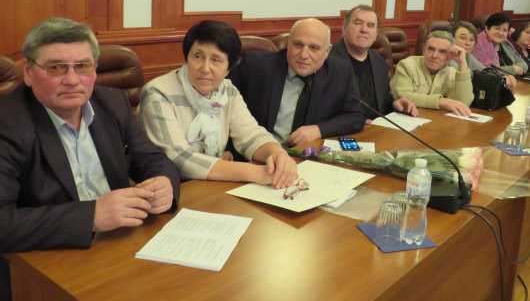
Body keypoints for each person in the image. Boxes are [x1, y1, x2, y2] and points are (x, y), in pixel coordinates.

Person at [0, 18, 180, 289]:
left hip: (122, 246)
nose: (72, 80)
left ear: (94, 69)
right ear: (28, 71)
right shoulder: (8, 124)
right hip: (48, 266)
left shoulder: (113, 103)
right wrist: (91, 216)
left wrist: (164, 183)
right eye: (56, 67)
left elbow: (151, 159)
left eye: (83, 66)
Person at [139, 20, 298, 188]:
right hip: (170, 190)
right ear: (187, 59)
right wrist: (254, 173)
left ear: (228, 69)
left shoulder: (227, 91)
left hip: (212, 184)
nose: (205, 68)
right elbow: (178, 158)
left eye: (216, 60)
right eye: (198, 57)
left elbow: (249, 134)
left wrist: (277, 153)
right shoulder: (158, 93)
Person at [228, 18, 365, 147]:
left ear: (327, 51)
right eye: (298, 44)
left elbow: (355, 116)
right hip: (256, 153)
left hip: (307, 155)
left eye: (314, 48)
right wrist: (227, 148)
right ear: (289, 44)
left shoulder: (340, 72)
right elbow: (222, 106)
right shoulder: (254, 65)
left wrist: (318, 130)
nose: (304, 55)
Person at [329, 5, 417, 120]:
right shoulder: (327, 58)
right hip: (345, 127)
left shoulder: (380, 62)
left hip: (377, 126)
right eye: (358, 23)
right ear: (344, 28)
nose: (364, 30)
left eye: (370, 26)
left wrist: (395, 105)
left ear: (375, 34)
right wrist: (353, 121)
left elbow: (383, 102)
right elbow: (320, 108)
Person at [390, 31, 474, 116]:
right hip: (406, 118)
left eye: (442, 52)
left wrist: (462, 65)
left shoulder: (452, 73)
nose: (434, 56)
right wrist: (439, 101)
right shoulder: (407, 65)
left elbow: (464, 103)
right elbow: (403, 96)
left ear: (450, 56)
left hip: (435, 119)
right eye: (431, 49)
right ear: (424, 50)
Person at [451, 21, 517, 89]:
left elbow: (484, 72)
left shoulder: (468, 56)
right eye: (463, 38)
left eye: (471, 40)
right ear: (451, 39)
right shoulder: (448, 59)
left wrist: (502, 78)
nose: (468, 43)